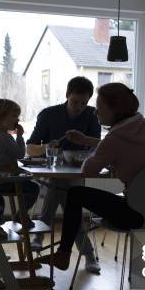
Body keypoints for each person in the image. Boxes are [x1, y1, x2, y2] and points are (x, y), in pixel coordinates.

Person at [37, 82, 145, 271]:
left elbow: (88, 171)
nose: (95, 113)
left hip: (135, 215)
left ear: (114, 109)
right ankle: (72, 253)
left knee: (75, 194)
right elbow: (117, 146)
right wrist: (87, 141)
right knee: (72, 193)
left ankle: (63, 253)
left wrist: (87, 152)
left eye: (98, 109)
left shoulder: (114, 138)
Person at [26, 76, 102, 273]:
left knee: (61, 193)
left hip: (77, 171)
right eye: (75, 101)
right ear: (67, 95)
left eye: (84, 103)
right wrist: (46, 147)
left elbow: (97, 148)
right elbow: (30, 149)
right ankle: (89, 254)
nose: (79, 107)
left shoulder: (93, 115)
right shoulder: (49, 114)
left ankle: (39, 236)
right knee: (67, 198)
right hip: (52, 172)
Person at [0, 99, 40, 229]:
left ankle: (21, 214)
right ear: (1, 117)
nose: (17, 120)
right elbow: (20, 154)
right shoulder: (5, 137)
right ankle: (21, 214)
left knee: (27, 184)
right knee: (33, 188)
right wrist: (20, 136)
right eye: (14, 116)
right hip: (4, 181)